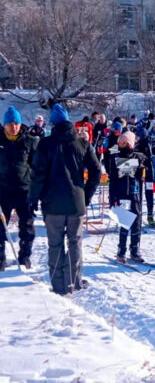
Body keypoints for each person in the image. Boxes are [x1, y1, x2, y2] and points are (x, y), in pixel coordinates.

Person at [29, 104, 101, 295]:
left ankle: (58, 285)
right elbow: (97, 171)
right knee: (75, 242)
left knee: (55, 244)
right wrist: (86, 194)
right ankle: (73, 282)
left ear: (52, 122)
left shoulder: (45, 144)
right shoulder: (82, 143)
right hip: (76, 202)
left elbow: (37, 175)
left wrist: (33, 198)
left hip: (52, 204)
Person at [0, 107, 39, 270]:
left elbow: (37, 166)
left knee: (27, 227)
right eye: (10, 124)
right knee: (0, 227)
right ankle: (0, 258)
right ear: (4, 125)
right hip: (3, 191)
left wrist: (35, 188)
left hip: (25, 191)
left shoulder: (29, 140)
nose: (13, 127)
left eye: (16, 123)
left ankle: (25, 256)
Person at [109, 131, 151, 263]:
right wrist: (113, 197)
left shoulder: (138, 157)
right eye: (121, 143)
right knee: (125, 222)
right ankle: (121, 251)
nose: (123, 145)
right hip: (122, 193)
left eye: (125, 143)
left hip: (135, 192)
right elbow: (113, 179)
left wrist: (144, 165)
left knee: (137, 220)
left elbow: (146, 165)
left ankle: (135, 249)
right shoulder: (115, 158)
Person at [135, 125, 155, 227]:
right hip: (138, 170)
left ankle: (150, 214)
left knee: (149, 193)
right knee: (137, 194)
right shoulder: (135, 143)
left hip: (148, 170)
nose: (137, 139)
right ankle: (137, 215)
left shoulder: (148, 143)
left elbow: (153, 155)